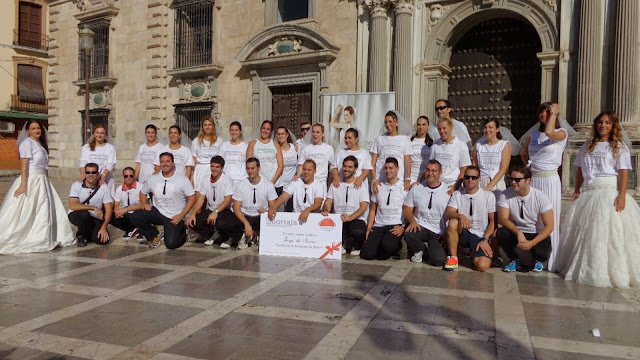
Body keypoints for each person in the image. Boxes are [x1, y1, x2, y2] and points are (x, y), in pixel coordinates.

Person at [558, 111, 640, 288]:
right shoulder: (588, 145)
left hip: (608, 191)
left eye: (607, 123)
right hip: (589, 192)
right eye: (600, 122)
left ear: (613, 126)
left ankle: (609, 272)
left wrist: (622, 195)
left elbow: (624, 171)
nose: (603, 125)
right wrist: (577, 188)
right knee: (586, 232)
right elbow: (580, 169)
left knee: (608, 232)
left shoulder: (619, 146)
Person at [0, 119, 74, 254]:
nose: (36, 131)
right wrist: (23, 185)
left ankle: (44, 234)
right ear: (28, 130)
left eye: (38, 128)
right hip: (31, 179)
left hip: (42, 180)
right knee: (29, 207)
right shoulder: (26, 143)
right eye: (33, 128)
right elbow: (24, 166)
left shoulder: (40, 144)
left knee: (43, 208)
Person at [521, 102, 567, 272]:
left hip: (549, 179)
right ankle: (536, 256)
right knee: (535, 219)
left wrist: (554, 113)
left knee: (550, 218)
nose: (543, 115)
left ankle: (550, 259)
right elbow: (524, 152)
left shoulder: (561, 133)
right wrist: (529, 165)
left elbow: (549, 132)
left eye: (546, 112)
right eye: (541, 112)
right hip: (535, 179)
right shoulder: (533, 134)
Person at [131, 152, 196, 249]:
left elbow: (192, 198)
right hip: (159, 212)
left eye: (167, 161)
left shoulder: (182, 179)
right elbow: (143, 192)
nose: (165, 164)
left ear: (173, 163)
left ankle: (183, 232)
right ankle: (153, 234)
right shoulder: (153, 178)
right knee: (135, 215)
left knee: (171, 244)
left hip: (174, 216)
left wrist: (181, 215)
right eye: (162, 162)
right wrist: (144, 204)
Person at [498, 166, 554, 273]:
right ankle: (514, 259)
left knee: (543, 252)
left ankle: (538, 260)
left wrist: (532, 243)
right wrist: (518, 232)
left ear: (528, 180)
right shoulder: (505, 194)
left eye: (517, 180)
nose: (513, 182)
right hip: (517, 230)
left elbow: (549, 225)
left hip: (534, 232)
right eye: (511, 179)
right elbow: (503, 219)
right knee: (501, 233)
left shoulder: (540, 197)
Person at [217, 158, 277, 249]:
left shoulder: (268, 184)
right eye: (248, 168)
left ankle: (256, 235)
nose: (250, 171)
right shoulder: (241, 185)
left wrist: (267, 211)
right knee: (223, 222)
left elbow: (273, 205)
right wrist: (246, 224)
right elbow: (236, 207)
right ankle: (239, 236)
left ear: (259, 168)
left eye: (253, 168)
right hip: (245, 216)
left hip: (259, 216)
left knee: (273, 220)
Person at [444, 166, 496, 272]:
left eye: (474, 177)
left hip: (480, 235)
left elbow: (493, 221)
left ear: (479, 179)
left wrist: (485, 239)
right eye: (467, 177)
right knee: (453, 222)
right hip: (464, 232)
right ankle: (453, 258)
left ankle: (475, 254)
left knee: (483, 266)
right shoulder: (458, 194)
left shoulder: (488, 196)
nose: (470, 180)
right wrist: (460, 216)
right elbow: (448, 213)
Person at [360, 158, 407, 261]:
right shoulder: (379, 186)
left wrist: (403, 227)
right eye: (386, 168)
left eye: (391, 168)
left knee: (386, 249)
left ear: (397, 169)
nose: (388, 171)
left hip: (395, 224)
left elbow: (409, 210)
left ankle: (398, 247)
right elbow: (373, 209)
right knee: (367, 255)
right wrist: (369, 227)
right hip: (379, 224)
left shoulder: (404, 187)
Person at [403, 160, 448, 266]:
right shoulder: (417, 188)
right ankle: (420, 248)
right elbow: (407, 208)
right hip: (421, 226)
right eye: (428, 170)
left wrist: (447, 232)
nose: (430, 173)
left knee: (438, 261)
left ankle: (431, 251)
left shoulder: (448, 190)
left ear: (440, 173)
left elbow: (452, 213)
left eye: (434, 171)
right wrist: (412, 221)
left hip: (438, 231)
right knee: (409, 234)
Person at [322, 156, 369, 256]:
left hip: (355, 219)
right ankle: (342, 245)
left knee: (358, 231)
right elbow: (328, 201)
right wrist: (326, 210)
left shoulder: (361, 185)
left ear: (355, 169)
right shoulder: (336, 184)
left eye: (350, 167)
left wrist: (350, 217)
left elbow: (364, 207)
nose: (346, 169)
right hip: (339, 218)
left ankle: (356, 246)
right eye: (345, 166)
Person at [187, 155, 234, 246]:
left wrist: (216, 212)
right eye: (212, 166)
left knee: (222, 223)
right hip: (211, 209)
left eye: (217, 167)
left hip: (224, 210)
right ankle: (212, 234)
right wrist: (193, 213)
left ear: (222, 168)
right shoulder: (205, 179)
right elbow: (201, 198)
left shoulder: (226, 179)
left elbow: (228, 200)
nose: (214, 169)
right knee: (192, 222)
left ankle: (225, 235)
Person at [68, 163, 113, 247]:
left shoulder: (104, 188)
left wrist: (103, 227)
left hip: (95, 217)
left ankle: (88, 234)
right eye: (88, 172)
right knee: (84, 215)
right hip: (78, 214)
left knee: (103, 240)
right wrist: (92, 208)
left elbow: (109, 209)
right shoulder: (76, 186)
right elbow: (73, 205)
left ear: (98, 174)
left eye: (93, 172)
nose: (90, 175)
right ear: (85, 173)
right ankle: (81, 235)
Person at [371, 111, 412, 193]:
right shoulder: (379, 139)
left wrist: (408, 179)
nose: (388, 124)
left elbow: (407, 161)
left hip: (397, 181)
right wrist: (374, 180)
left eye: (390, 122)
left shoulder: (404, 139)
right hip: (381, 180)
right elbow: (373, 162)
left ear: (396, 123)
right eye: (386, 122)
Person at [429, 118, 472, 195]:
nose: (442, 131)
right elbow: (431, 166)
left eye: (444, 128)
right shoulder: (435, 146)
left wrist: (456, 187)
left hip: (453, 185)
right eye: (439, 129)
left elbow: (464, 169)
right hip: (437, 186)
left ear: (451, 127)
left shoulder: (461, 145)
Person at [473, 119, 511, 193]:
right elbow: (475, 166)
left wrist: (491, 185)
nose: (487, 130)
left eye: (490, 127)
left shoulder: (504, 145)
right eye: (485, 127)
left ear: (497, 129)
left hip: (497, 183)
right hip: (481, 182)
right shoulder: (478, 145)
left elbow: (504, 168)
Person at [79, 124, 117, 196]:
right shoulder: (86, 147)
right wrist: (82, 175)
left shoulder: (110, 148)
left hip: (105, 177)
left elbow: (110, 164)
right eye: (97, 132)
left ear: (105, 135)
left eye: (102, 133)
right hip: (90, 177)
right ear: (94, 133)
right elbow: (83, 162)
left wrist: (103, 177)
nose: (99, 135)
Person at [247, 120, 283, 190]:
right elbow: (249, 164)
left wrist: (272, 182)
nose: (265, 131)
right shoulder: (252, 144)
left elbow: (281, 165)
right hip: (258, 184)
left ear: (271, 132)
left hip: (274, 184)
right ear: (260, 129)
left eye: (268, 129)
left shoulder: (276, 145)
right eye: (263, 128)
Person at [111, 167, 144, 241]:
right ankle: (130, 230)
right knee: (110, 215)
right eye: (126, 176)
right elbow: (116, 204)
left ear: (134, 176)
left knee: (140, 213)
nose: (128, 178)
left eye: (131, 176)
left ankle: (142, 231)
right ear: (123, 177)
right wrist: (116, 211)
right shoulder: (119, 189)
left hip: (137, 212)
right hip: (126, 213)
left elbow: (143, 205)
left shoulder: (140, 187)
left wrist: (125, 210)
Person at [191, 116, 223, 187]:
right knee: (199, 195)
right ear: (202, 127)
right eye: (205, 125)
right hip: (200, 170)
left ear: (213, 126)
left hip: (214, 170)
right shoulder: (196, 141)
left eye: (209, 125)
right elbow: (194, 160)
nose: (207, 127)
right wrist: (192, 176)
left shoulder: (219, 141)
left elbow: (221, 159)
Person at [274, 126, 298, 212]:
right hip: (280, 185)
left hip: (292, 184)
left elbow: (300, 164)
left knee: (290, 210)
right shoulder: (276, 150)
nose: (280, 136)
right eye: (278, 134)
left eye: (282, 134)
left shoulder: (294, 148)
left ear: (287, 135)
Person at [220, 121, 248, 186]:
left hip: (240, 179)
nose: (234, 132)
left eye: (236, 130)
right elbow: (220, 161)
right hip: (226, 178)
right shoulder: (224, 145)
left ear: (240, 131)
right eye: (232, 130)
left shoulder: (245, 146)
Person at [410, 115, 433, 183]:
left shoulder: (431, 143)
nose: (421, 127)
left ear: (428, 126)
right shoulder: (410, 141)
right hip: (412, 176)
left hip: (426, 176)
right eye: (419, 125)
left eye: (423, 125)